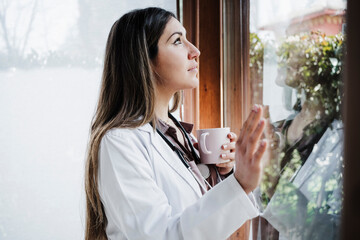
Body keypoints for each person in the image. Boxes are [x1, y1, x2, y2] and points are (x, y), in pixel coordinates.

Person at [85, 7, 267, 240]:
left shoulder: (177, 134)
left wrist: (226, 173)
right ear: (144, 60)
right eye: (178, 41)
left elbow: (196, 213)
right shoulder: (119, 143)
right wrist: (240, 184)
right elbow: (160, 236)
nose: (195, 51)